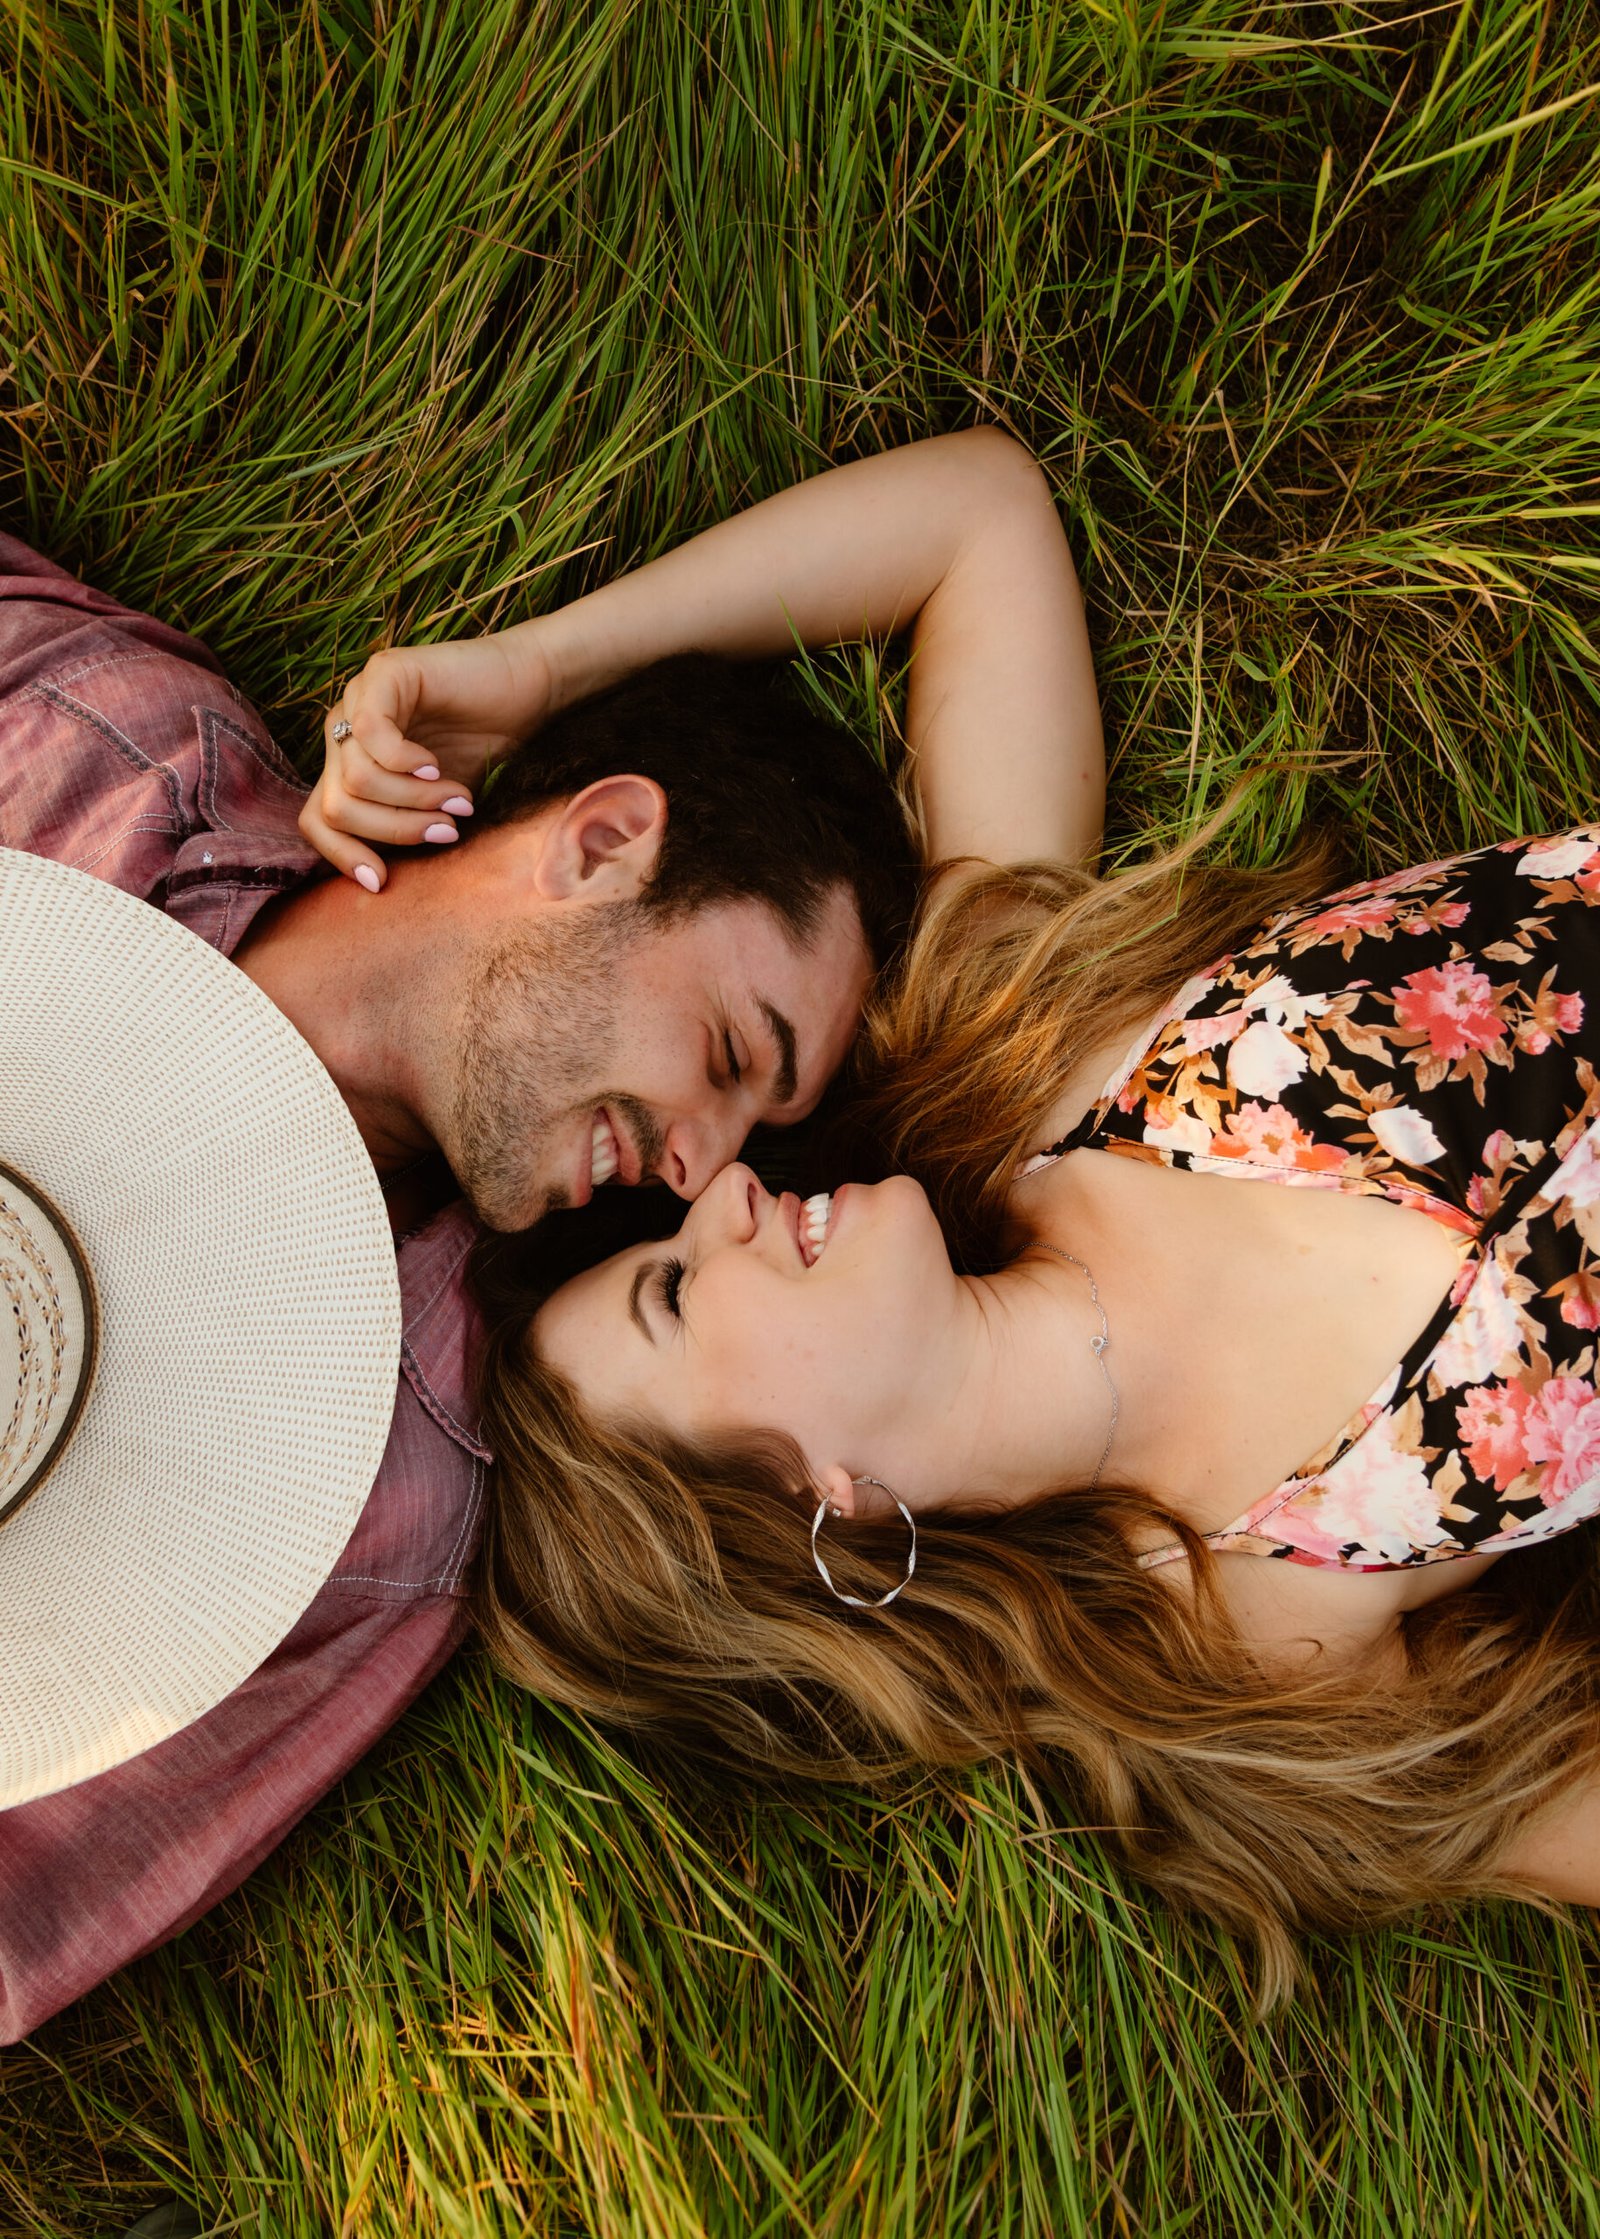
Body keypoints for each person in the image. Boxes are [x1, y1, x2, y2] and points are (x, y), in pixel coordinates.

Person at [309, 434, 1600, 1993]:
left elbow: (973, 518)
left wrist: (534, 668)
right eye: (671, 1289)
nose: (719, 1196)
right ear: (809, 1508)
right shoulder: (1253, 1636)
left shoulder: (1028, 1050)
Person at [0, 520, 913, 2043]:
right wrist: (536, 667)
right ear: (605, 842)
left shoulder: (380, 1488)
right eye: (733, 1056)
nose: (703, 1170)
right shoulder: (97, 751)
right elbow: (970, 510)